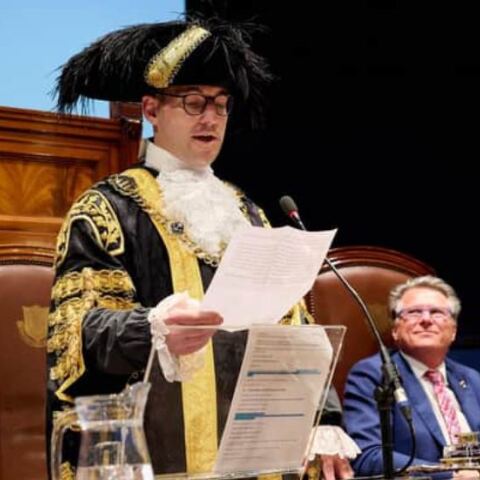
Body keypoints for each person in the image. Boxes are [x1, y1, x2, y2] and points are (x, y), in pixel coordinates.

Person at [46, 17, 355, 479]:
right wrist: (153, 329)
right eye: (193, 102)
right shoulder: (106, 209)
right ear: (151, 110)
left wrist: (322, 417)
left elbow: (294, 328)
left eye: (221, 105)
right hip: (155, 452)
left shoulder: (248, 212)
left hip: (254, 456)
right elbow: (78, 335)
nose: (210, 118)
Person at [343, 275, 480, 476]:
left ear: (453, 331)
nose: (426, 320)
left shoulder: (472, 379)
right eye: (414, 312)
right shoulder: (372, 375)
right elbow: (368, 455)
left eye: (437, 312)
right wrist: (450, 475)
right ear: (395, 329)